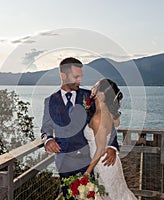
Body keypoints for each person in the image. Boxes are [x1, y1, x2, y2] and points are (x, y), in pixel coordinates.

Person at [41, 58, 119, 198]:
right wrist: (48, 140)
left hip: (88, 162)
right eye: (76, 76)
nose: (80, 80)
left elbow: (108, 121)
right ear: (63, 76)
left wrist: (112, 146)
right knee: (68, 197)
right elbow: (46, 128)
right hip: (64, 163)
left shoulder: (90, 96)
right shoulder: (50, 101)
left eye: (81, 76)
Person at [84, 78, 137, 200]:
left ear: (101, 95)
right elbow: (116, 123)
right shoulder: (108, 113)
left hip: (103, 164)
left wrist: (87, 172)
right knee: (118, 194)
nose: (92, 88)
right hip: (108, 163)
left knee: (112, 196)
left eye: (95, 87)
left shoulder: (98, 118)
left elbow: (101, 149)